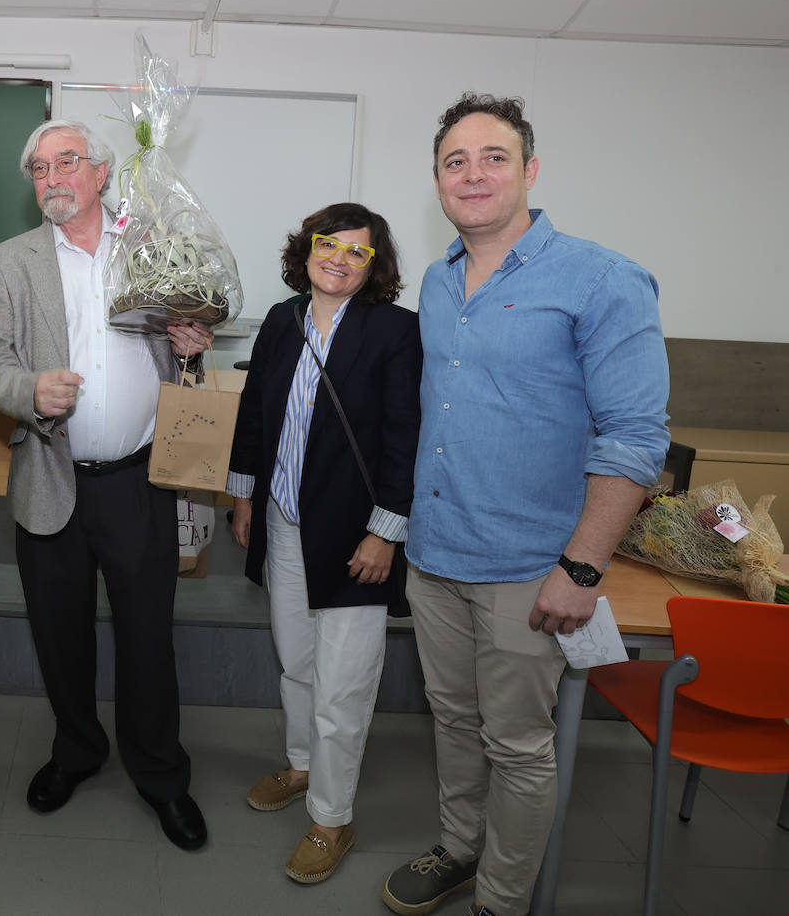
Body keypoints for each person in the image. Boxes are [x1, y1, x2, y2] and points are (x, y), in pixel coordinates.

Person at [380, 94, 669, 916]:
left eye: (494, 157)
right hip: (436, 555)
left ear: (530, 170)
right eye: (455, 161)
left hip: (530, 568)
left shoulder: (602, 278)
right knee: (453, 722)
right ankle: (459, 847)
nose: (473, 175)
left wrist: (581, 567)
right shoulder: (437, 283)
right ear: (436, 179)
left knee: (517, 745)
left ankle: (500, 902)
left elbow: (634, 438)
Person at [0, 118, 213, 851]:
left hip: (141, 482)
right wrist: (28, 390)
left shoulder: (150, 247)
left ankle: (160, 772)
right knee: (61, 636)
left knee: (148, 639)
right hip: (50, 477)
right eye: (39, 167)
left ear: (102, 173)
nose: (51, 177)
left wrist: (193, 342)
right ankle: (77, 750)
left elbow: (186, 359)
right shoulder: (8, 261)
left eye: (66, 161)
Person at [229, 203, 422, 884]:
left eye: (357, 252)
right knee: (296, 660)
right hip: (283, 522)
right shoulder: (283, 320)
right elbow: (254, 408)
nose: (338, 258)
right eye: (327, 244)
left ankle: (332, 815)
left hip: (354, 538)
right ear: (306, 249)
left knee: (343, 683)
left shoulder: (397, 331)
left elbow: (406, 438)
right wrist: (244, 492)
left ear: (376, 265)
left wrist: (384, 532)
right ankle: (303, 763)